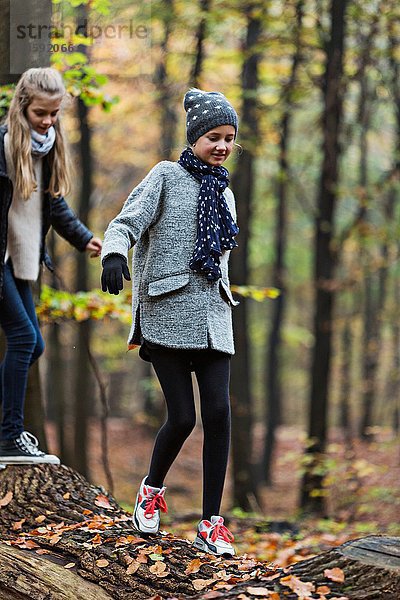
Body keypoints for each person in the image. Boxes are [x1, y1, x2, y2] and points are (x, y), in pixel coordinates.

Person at [101, 88, 239, 556]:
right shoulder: (165, 176)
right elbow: (125, 223)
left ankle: (211, 522)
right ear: (195, 136)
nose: (221, 146)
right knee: (183, 417)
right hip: (167, 315)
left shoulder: (226, 193)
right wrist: (115, 254)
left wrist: (222, 300)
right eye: (213, 137)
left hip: (214, 319)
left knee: (219, 414)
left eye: (229, 139)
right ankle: (151, 489)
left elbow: (220, 261)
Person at [0, 67, 102, 465]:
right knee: (24, 339)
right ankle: (8, 436)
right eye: (40, 113)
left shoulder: (47, 146)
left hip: (20, 259)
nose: (47, 121)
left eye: (54, 113)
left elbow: (53, 204)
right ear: (23, 106)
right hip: (1, 259)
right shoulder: (3, 145)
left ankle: (6, 430)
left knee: (34, 344)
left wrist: (82, 238)